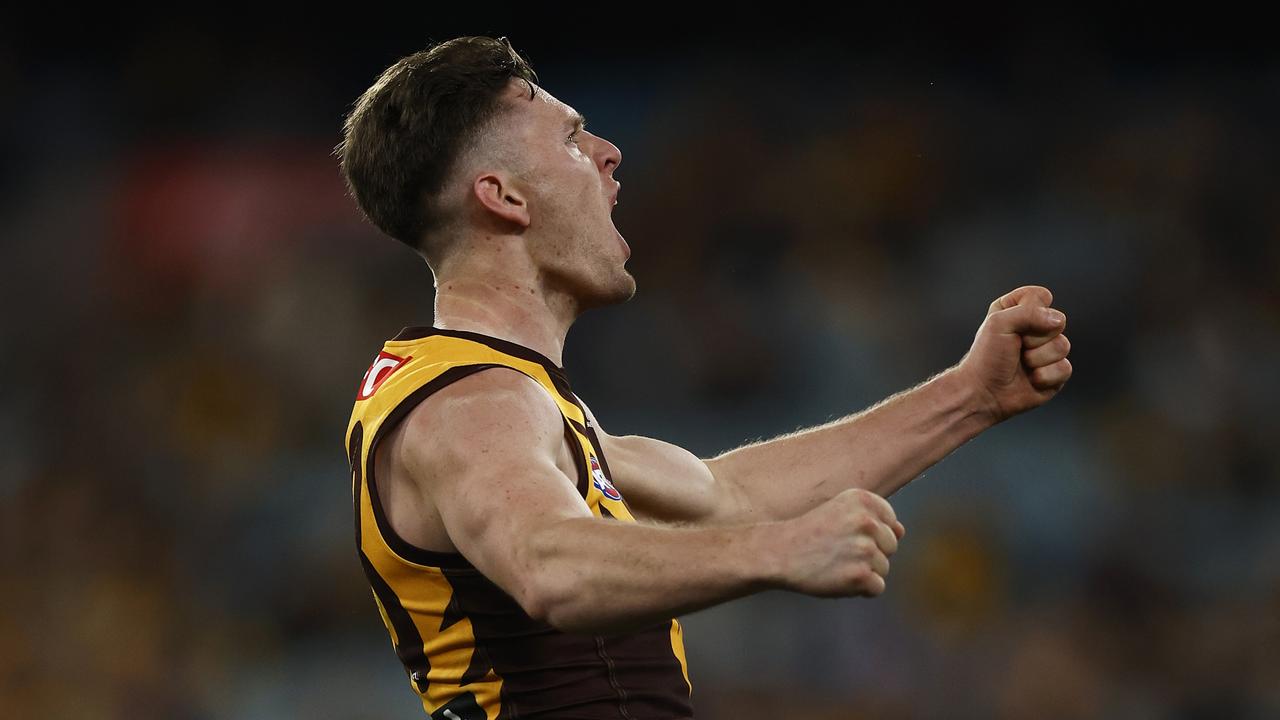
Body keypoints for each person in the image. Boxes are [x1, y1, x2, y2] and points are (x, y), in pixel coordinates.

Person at [336, 36, 1072, 720]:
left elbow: (730, 495)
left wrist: (972, 395)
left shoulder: (507, 400)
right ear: (504, 197)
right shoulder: (473, 403)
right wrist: (778, 552)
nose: (609, 152)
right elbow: (547, 563)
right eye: (570, 136)